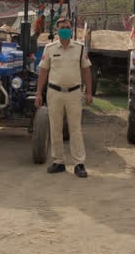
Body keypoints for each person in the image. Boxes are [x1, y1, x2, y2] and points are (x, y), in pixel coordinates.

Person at [35, 17, 93, 178]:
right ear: (57, 30)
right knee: (55, 127)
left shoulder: (80, 48)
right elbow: (43, 72)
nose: (65, 30)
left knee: (75, 129)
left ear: (71, 28)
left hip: (74, 93)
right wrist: (39, 93)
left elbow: (86, 71)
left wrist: (89, 92)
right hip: (54, 92)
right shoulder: (50, 48)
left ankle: (79, 163)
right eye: (62, 27)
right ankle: (58, 161)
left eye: (67, 27)